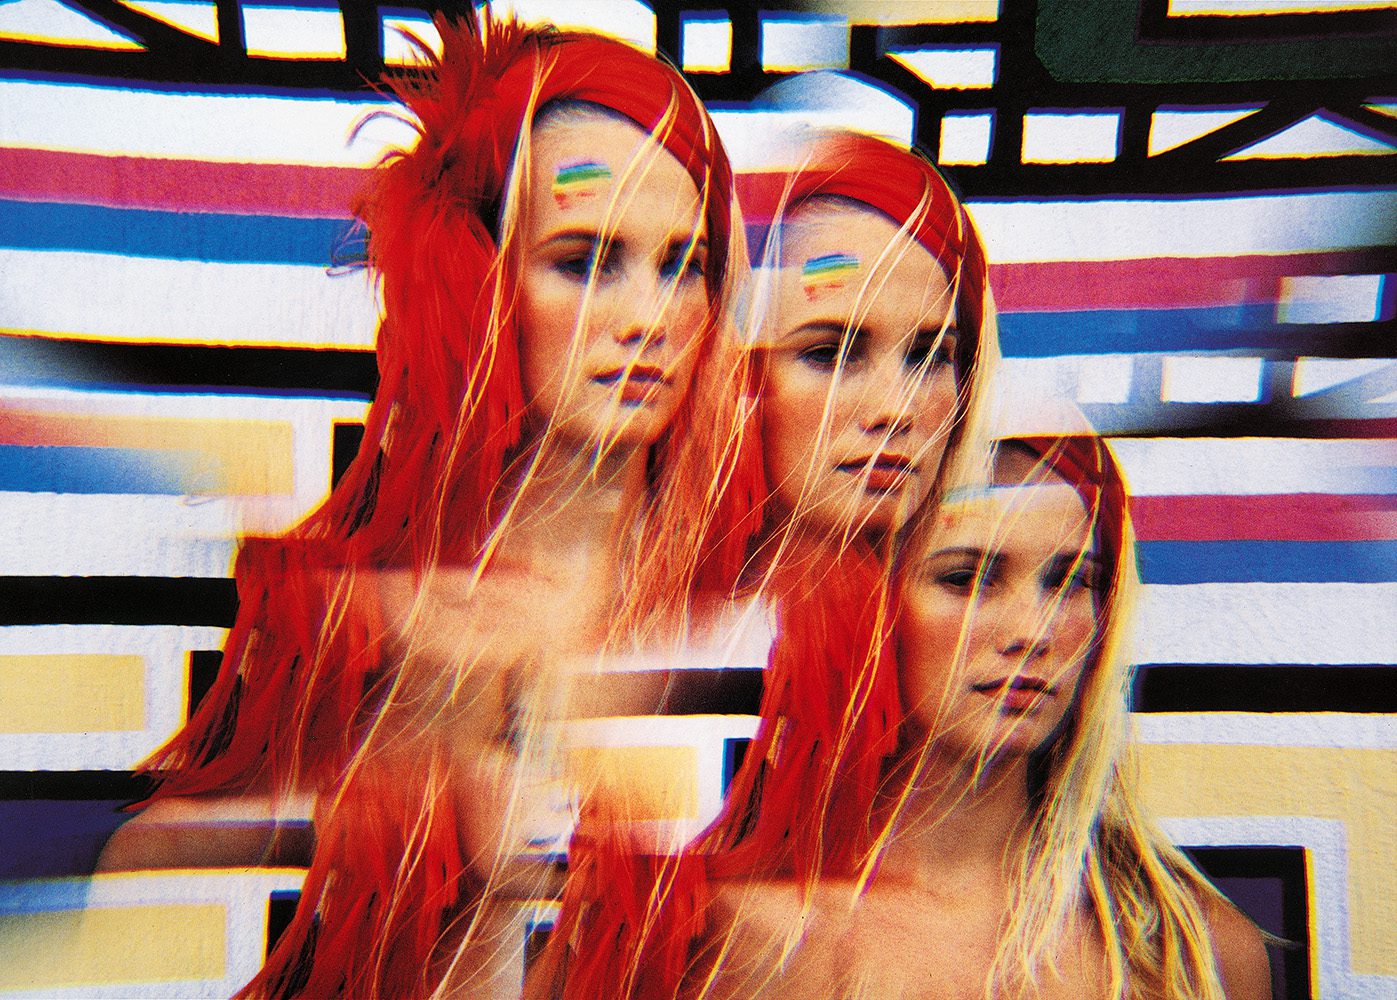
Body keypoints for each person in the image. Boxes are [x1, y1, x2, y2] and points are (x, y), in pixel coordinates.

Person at [99, 9, 765, 984]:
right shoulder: (360, 615)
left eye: (684, 265)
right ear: (475, 276)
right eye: (583, 261)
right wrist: (407, 824)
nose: (649, 317)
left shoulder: (756, 606)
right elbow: (143, 866)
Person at [531, 129, 1007, 998]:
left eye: (930, 356)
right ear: (737, 373)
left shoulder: (989, 621)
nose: (895, 408)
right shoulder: (687, 644)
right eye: (829, 353)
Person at [543, 436, 1271, 1000]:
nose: (1034, 631)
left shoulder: (1191, 951)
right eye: (965, 577)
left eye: (1068, 581)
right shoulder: (697, 931)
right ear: (858, 608)